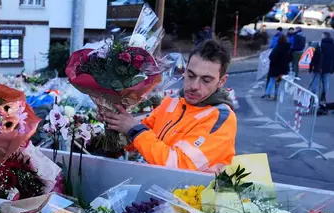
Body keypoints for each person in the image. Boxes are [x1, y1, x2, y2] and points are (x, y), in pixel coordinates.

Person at [97, 39, 236, 173]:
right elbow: (136, 142)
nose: (194, 86)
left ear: (222, 81)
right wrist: (114, 122)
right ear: (185, 71)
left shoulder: (221, 118)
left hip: (192, 195)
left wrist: (133, 129)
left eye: (206, 80)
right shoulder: (172, 102)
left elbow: (178, 166)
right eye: (191, 75)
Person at [262, 34, 292, 100]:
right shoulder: (288, 48)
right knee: (278, 82)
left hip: (275, 67)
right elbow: (290, 58)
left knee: (272, 81)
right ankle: (276, 95)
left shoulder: (277, 47)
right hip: (283, 68)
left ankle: (267, 93)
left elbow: (271, 57)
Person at [309, 32, 334, 103]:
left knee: (315, 82)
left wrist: (311, 66)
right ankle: (323, 94)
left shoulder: (320, 45)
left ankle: (313, 96)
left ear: (324, 37)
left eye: (322, 36)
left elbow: (315, 57)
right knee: (326, 82)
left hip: (318, 67)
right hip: (328, 68)